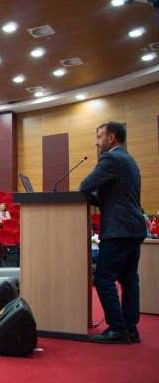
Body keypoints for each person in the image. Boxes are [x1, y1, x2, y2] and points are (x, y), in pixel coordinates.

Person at [79, 121, 147, 344]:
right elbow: (116, 197)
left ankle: (117, 328)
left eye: (99, 137)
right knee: (129, 279)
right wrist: (97, 199)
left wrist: (89, 198)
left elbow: (85, 185)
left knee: (103, 278)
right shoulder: (129, 160)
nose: (96, 142)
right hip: (133, 227)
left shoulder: (110, 159)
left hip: (118, 229)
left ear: (112, 138)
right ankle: (130, 328)